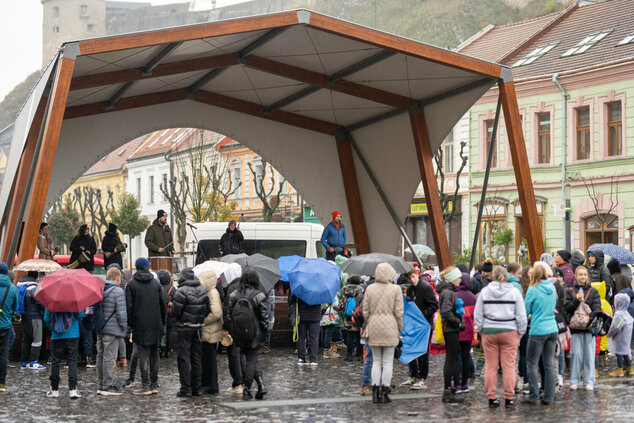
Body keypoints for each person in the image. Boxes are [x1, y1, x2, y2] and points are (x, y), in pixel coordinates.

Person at [474, 265, 527, 408]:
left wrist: (480, 330)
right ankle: (509, 398)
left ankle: (492, 398)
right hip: (510, 331)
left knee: (491, 366)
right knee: (508, 366)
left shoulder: (485, 292)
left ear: (493, 277)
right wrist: (520, 333)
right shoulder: (515, 292)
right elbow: (521, 316)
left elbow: (478, 314)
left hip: (489, 331)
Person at [223, 270, 269, 400]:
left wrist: (229, 330)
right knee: (251, 359)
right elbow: (264, 317)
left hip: (239, 333)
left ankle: (260, 384)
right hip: (255, 333)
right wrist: (265, 332)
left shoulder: (234, 295)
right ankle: (249, 387)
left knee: (246, 357)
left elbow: (228, 315)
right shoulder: (259, 295)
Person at [363, 263, 403, 404]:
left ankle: (374, 393)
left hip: (374, 327)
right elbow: (399, 313)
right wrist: (399, 328)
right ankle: (384, 393)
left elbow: (365, 311)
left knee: (376, 360)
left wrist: (371, 321)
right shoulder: (396, 289)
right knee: (387, 362)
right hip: (391, 327)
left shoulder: (370, 288)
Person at [126, 257, 166, 395]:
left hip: (140, 324)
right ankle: (154, 382)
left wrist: (130, 324)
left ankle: (145, 384)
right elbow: (162, 305)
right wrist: (162, 322)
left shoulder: (131, 284)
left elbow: (129, 308)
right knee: (155, 354)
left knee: (143, 353)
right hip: (155, 323)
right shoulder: (155, 283)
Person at [170, 268, 211, 397]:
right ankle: (197, 387)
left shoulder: (181, 291)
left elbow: (175, 312)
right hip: (198, 327)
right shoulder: (202, 290)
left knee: (184, 358)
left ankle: (186, 388)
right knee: (196, 358)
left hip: (185, 327)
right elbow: (207, 309)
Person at [523, 262, 558, 405]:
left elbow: (525, 310)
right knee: (549, 363)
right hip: (552, 329)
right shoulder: (552, 287)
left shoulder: (533, 289)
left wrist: (532, 312)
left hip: (538, 329)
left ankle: (534, 395)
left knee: (532, 363)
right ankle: (549, 396)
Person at [565, 265, 601, 390]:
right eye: (580, 274)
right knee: (576, 354)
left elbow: (597, 308)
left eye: (585, 274)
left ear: (587, 277)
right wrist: (576, 300)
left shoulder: (593, 291)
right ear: (575, 276)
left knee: (589, 355)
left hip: (589, 328)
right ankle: (574, 380)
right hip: (575, 328)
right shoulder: (569, 291)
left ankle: (589, 381)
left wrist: (590, 319)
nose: (583, 277)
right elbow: (567, 309)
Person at [401, 269, 437, 390]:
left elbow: (433, 305)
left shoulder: (426, 288)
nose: (412, 280)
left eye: (413, 277)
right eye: (409, 278)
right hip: (412, 325)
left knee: (422, 351)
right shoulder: (410, 289)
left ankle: (422, 377)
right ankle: (413, 375)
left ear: (417, 275)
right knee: (410, 349)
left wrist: (422, 314)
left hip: (424, 324)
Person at [96, 267, 128, 396]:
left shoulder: (99, 288)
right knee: (110, 357)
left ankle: (100, 383)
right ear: (118, 278)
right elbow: (121, 313)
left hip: (100, 327)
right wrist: (124, 328)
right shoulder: (118, 291)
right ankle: (107, 385)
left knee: (100, 356)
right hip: (112, 329)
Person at [437, 266, 465, 404]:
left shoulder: (446, 291)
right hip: (451, 329)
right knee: (451, 359)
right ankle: (448, 390)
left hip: (450, 329)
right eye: (458, 277)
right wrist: (458, 323)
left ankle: (451, 389)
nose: (460, 279)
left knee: (452, 359)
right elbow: (446, 312)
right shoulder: (449, 293)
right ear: (453, 278)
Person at [43, 307, 84, 398]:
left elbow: (46, 318)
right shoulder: (73, 298)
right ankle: (73, 389)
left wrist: (54, 329)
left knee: (55, 362)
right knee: (72, 362)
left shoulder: (51, 299)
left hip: (56, 336)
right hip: (73, 334)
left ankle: (54, 390)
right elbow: (80, 315)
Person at [198, 270, 223, 395]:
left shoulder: (212, 293)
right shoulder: (209, 292)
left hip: (210, 331)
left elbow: (216, 313)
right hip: (208, 331)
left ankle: (211, 385)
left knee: (210, 360)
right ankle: (208, 384)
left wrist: (203, 321)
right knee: (206, 359)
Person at [222, 263, 244, 394]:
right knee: (242, 354)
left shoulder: (232, 288)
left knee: (234, 354)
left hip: (234, 326)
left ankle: (238, 383)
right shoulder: (246, 285)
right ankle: (245, 380)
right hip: (246, 325)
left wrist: (225, 328)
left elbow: (227, 310)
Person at [17, 271, 45, 369]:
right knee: (37, 339)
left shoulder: (21, 285)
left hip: (24, 317)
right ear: (35, 277)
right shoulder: (33, 287)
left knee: (27, 339)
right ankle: (34, 362)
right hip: (35, 317)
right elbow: (40, 301)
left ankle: (24, 361)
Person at [455, 271, 477, 394]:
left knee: (456, 356)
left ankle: (457, 381)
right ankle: (466, 380)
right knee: (466, 355)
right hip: (469, 330)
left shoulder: (455, 295)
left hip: (458, 329)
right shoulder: (473, 297)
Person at [335, 275, 364, 361]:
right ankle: (359, 353)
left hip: (348, 315)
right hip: (357, 316)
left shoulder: (345, 289)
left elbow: (342, 302)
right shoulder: (361, 289)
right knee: (358, 335)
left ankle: (349, 355)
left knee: (349, 336)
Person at [0, 262, 18, 393]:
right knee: (3, 354)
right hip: (5, 325)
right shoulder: (12, 288)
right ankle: (1, 383)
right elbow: (15, 306)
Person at [289, 293, 321, 366]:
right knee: (314, 338)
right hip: (315, 317)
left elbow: (291, 301)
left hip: (301, 316)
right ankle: (313, 360)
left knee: (301, 337)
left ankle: (301, 359)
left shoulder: (300, 288)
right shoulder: (319, 289)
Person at [607, 293, 634, 377]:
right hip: (626, 337)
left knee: (619, 353)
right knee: (625, 352)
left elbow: (615, 326)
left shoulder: (619, 313)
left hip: (619, 337)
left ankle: (619, 369)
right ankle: (629, 368)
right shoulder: (626, 313)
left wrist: (609, 334)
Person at [158, 270, 175, 358]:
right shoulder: (173, 289)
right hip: (171, 314)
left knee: (162, 332)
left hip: (162, 313)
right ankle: (168, 350)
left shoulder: (159, 288)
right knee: (169, 332)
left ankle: (161, 349)